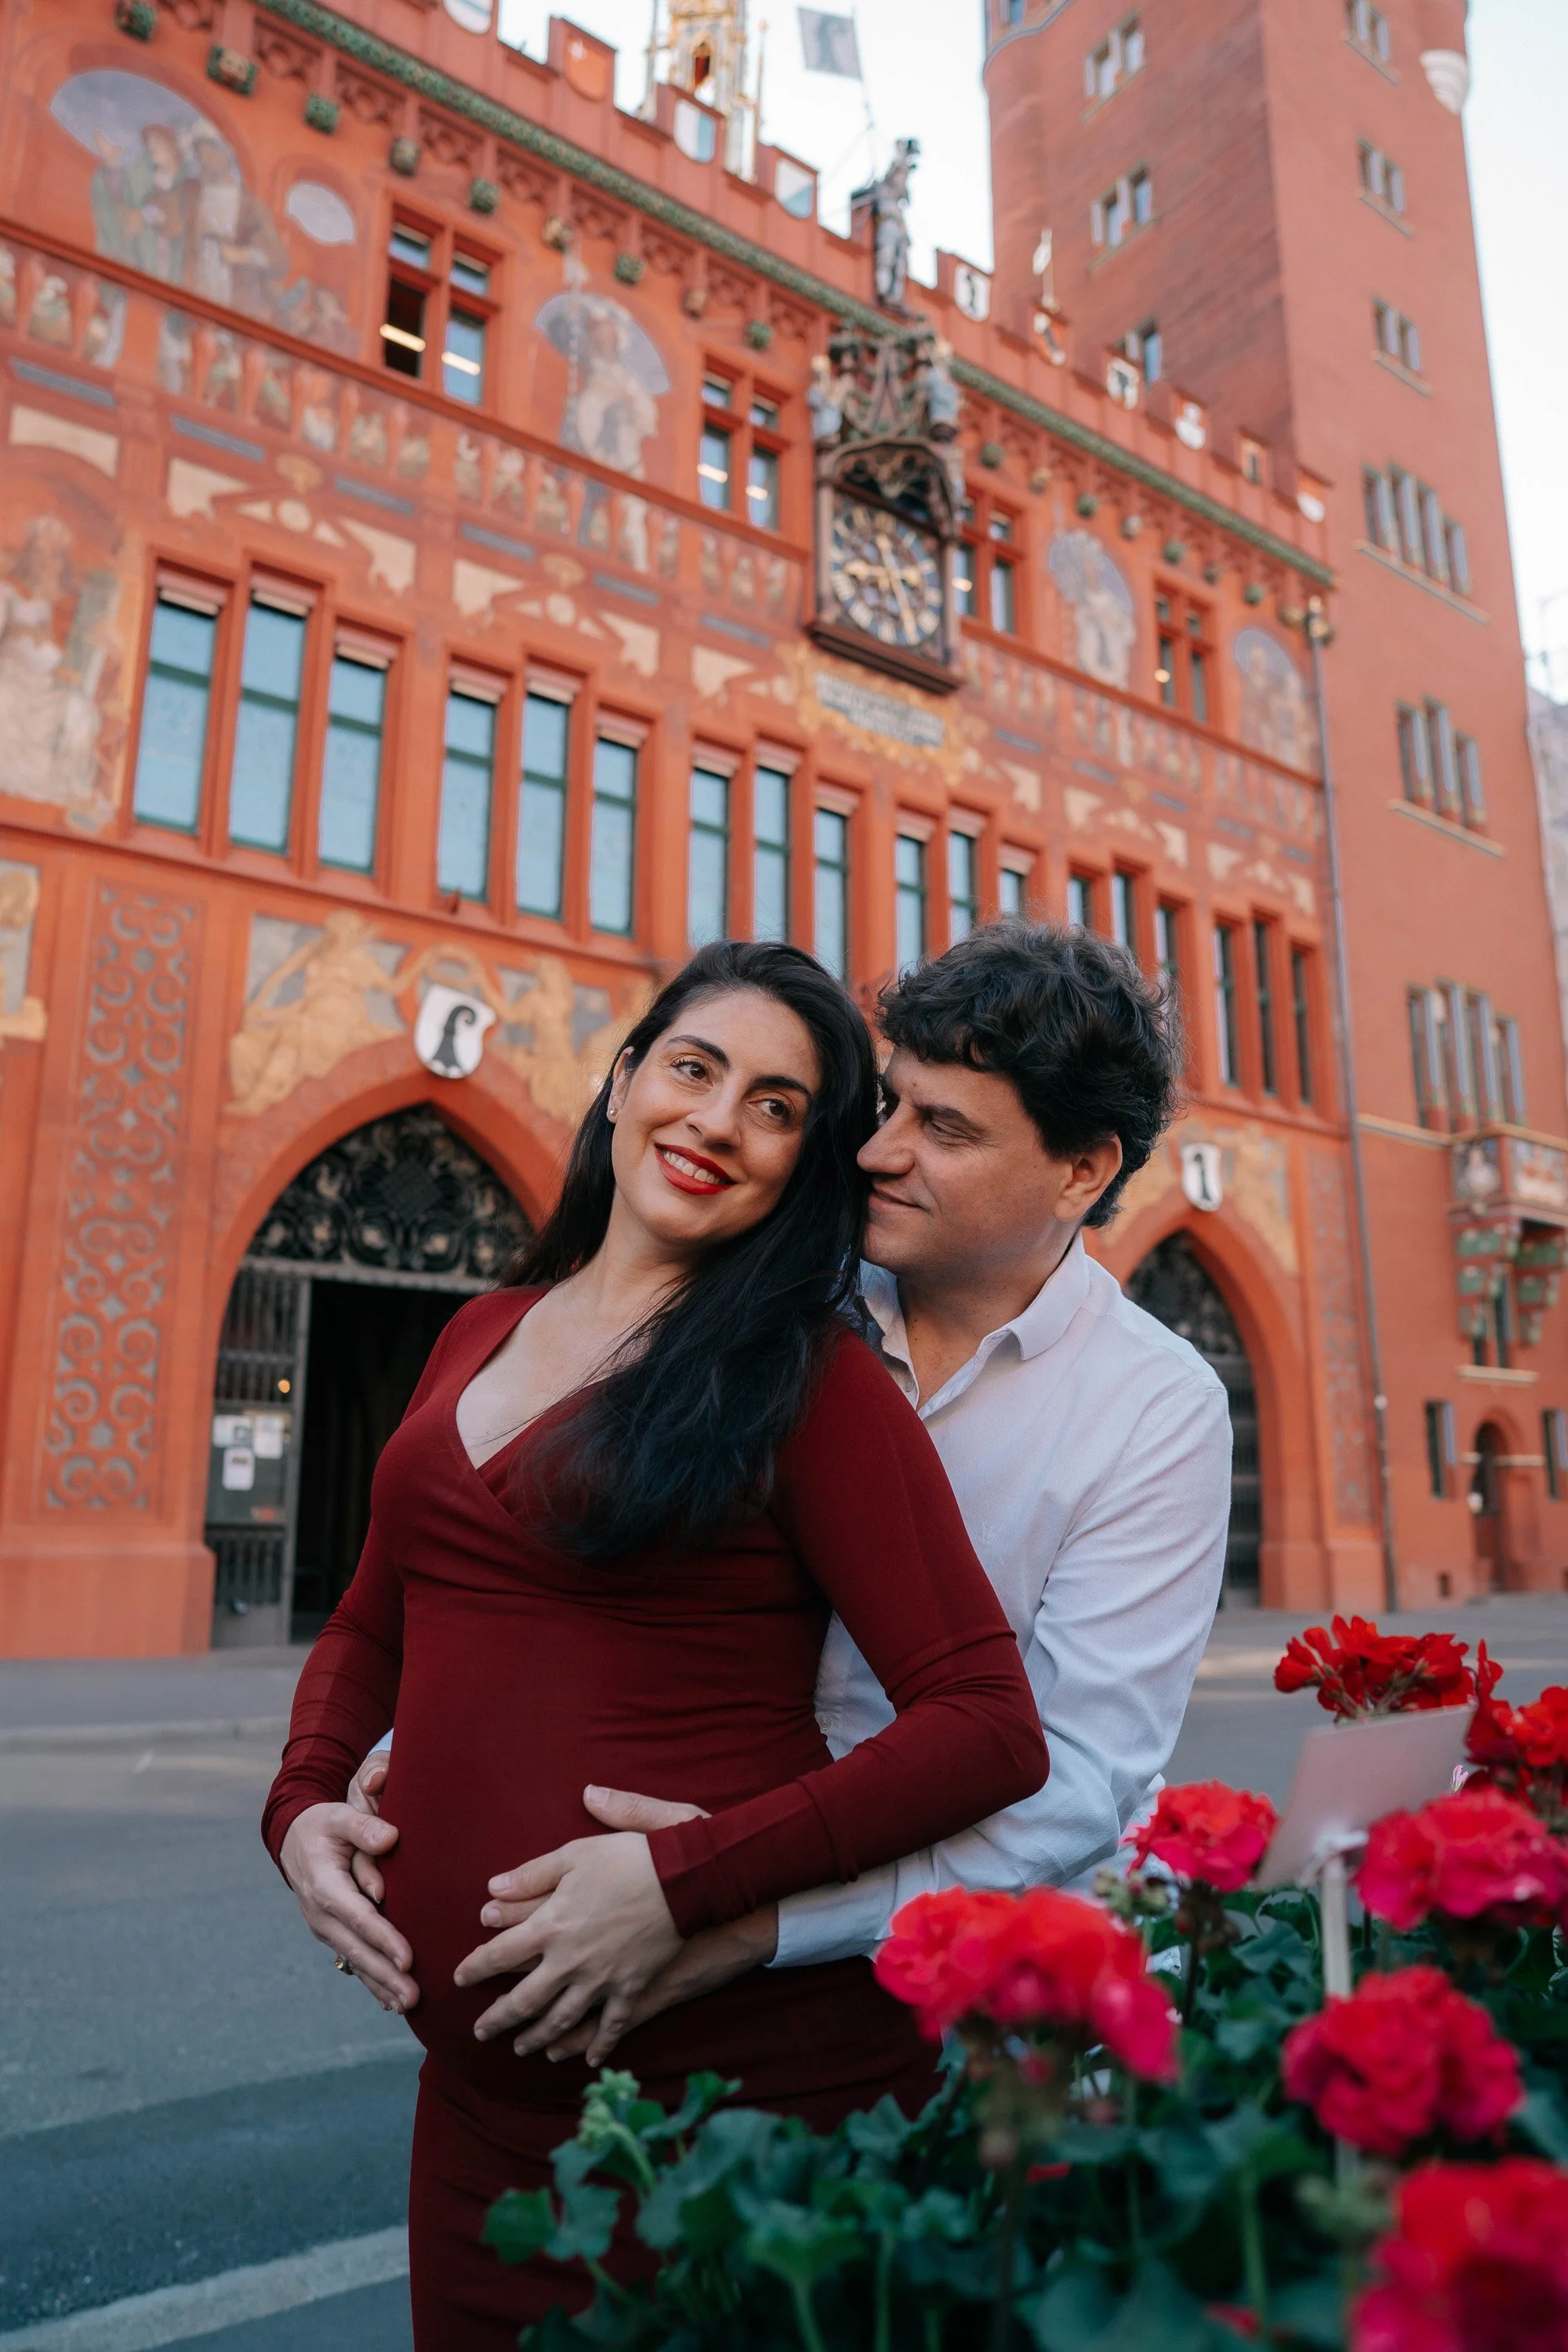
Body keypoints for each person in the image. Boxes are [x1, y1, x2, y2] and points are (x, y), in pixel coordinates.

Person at [262, 940, 1047, 2349]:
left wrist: (683, 1880)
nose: (716, 1122)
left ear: (801, 1164)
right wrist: (301, 1803)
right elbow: (378, 1613)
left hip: (723, 2107)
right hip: (482, 2127)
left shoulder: (808, 1382)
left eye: (775, 1107)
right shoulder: (481, 1334)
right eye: (694, 1069)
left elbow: (987, 1721)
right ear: (624, 1080)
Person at [451, 922, 1232, 2055]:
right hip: (694, 1923)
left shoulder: (1157, 1410)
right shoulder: (776, 1302)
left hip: (991, 1996)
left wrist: (748, 1915)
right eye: (890, 1108)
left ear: (1083, 1169)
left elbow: (1069, 1785)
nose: (877, 1153)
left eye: (945, 1130)